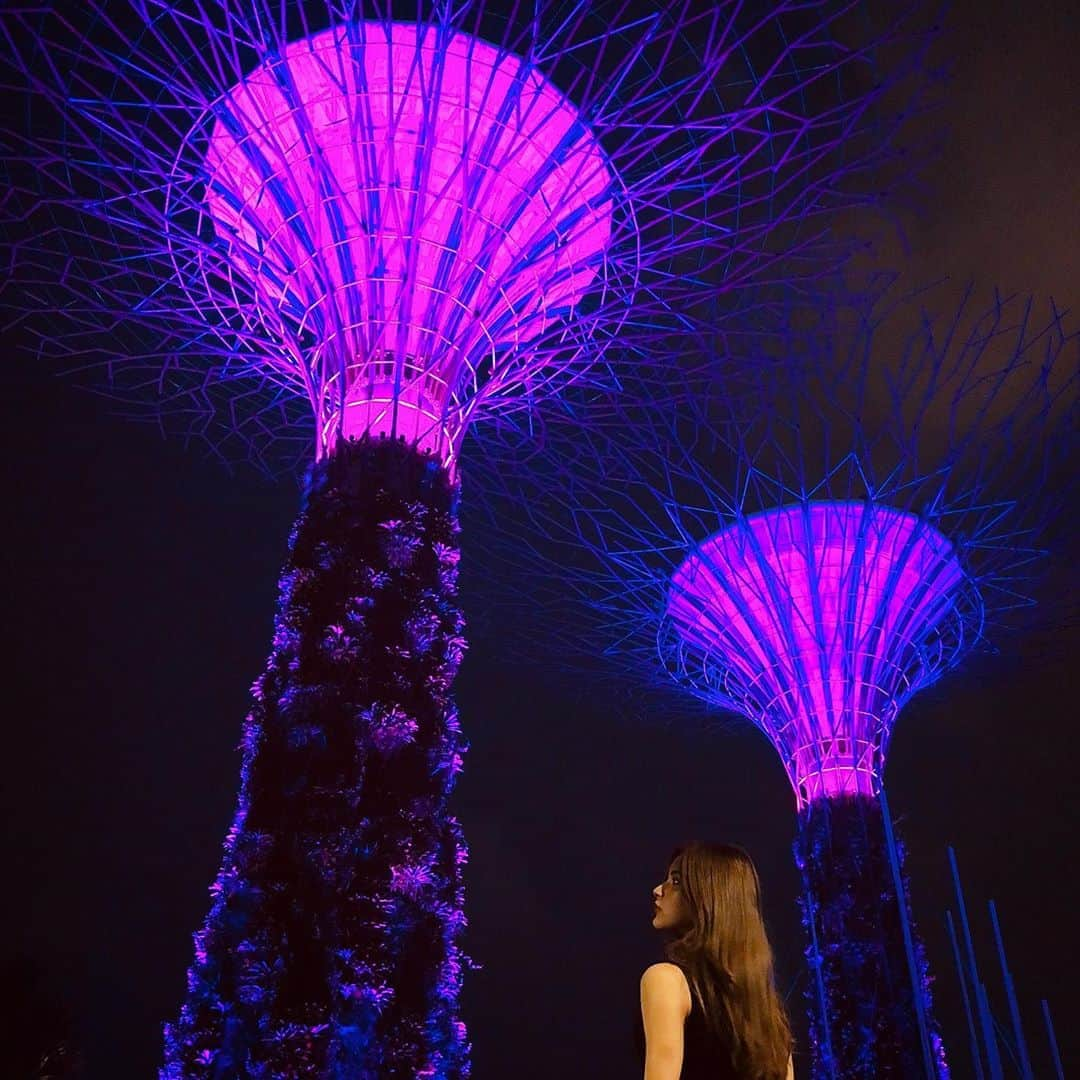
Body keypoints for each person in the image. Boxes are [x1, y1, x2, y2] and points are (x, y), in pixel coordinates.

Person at [635, 843, 794, 1080]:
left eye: (676, 881)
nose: (658, 889)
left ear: (709, 897)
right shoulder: (766, 1008)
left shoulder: (666, 980)